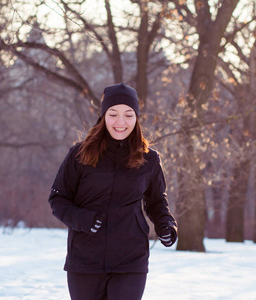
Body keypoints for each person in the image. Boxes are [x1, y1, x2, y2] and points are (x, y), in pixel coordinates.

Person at [48, 83, 177, 300]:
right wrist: (83, 220)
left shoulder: (149, 159)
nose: (120, 122)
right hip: (85, 259)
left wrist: (166, 225)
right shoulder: (80, 155)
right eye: (113, 114)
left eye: (128, 115)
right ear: (103, 117)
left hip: (131, 258)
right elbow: (58, 198)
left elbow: (156, 201)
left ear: (136, 118)